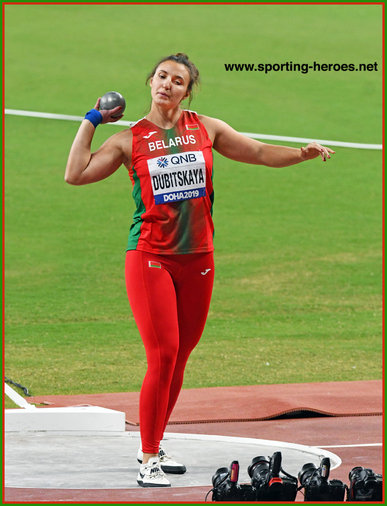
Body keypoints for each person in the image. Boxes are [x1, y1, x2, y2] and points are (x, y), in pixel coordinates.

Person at [64, 53, 335, 488]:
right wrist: (92, 118)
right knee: (164, 353)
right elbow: (74, 174)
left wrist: (300, 154)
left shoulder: (206, 128)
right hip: (150, 255)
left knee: (180, 357)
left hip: (199, 259)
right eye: (161, 77)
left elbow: (260, 152)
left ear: (187, 91)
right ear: (150, 82)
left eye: (177, 80)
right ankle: (148, 457)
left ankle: (153, 441)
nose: (167, 84)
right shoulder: (128, 139)